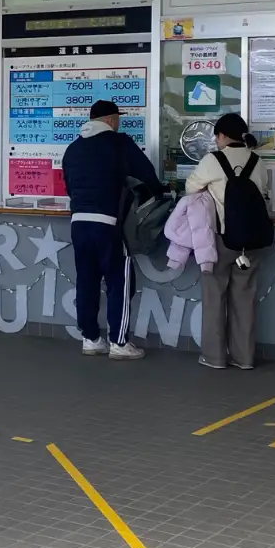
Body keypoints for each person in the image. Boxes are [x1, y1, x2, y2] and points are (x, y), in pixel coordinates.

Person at [62, 99, 164, 359]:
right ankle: (119, 342)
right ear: (110, 120)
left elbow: (70, 187)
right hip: (109, 223)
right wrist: (161, 194)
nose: (119, 123)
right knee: (119, 281)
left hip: (78, 223)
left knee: (86, 280)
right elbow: (147, 175)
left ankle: (90, 338)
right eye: (117, 118)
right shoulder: (120, 144)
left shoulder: (73, 149)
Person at [185, 112, 270, 369]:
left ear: (221, 136)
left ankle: (214, 357)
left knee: (214, 297)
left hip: (220, 241)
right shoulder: (258, 161)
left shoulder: (213, 160)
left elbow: (191, 187)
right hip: (252, 242)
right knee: (244, 299)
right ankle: (244, 358)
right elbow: (264, 192)